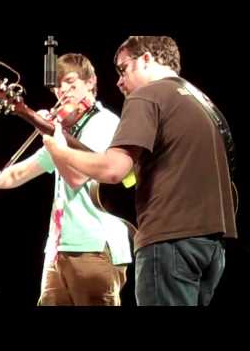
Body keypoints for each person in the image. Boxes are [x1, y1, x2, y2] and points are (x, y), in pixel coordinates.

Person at [42, 36, 237, 306]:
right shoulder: (202, 101)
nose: (119, 81)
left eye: (123, 69)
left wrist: (59, 150)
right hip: (212, 245)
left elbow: (114, 170)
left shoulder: (147, 95)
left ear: (146, 59)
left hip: (168, 241)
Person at [0, 53, 132, 306]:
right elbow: (19, 172)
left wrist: (52, 137)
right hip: (58, 250)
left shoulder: (106, 123)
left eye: (70, 82)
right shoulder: (64, 132)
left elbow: (77, 177)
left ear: (91, 82)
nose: (63, 91)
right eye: (58, 86)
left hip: (96, 248)